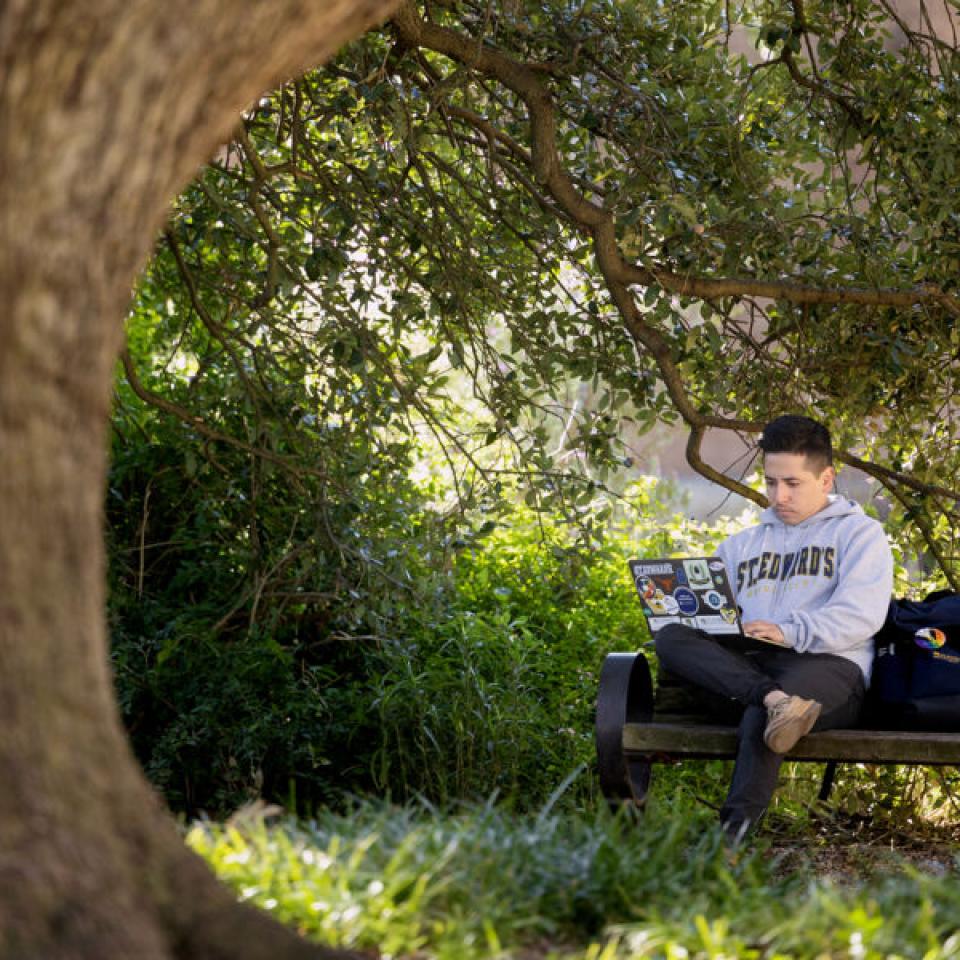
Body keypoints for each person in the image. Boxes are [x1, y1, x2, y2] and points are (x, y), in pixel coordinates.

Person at [654, 415, 893, 840]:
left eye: (792, 483)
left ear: (826, 479)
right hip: (752, 672)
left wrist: (789, 631)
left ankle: (732, 843)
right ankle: (775, 700)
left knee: (761, 714)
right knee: (672, 634)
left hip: (828, 668)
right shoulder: (740, 545)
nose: (778, 496)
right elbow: (711, 619)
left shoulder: (860, 535)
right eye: (770, 482)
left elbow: (862, 615)